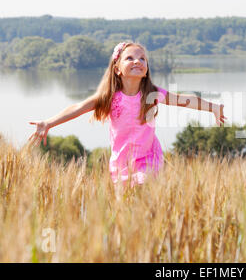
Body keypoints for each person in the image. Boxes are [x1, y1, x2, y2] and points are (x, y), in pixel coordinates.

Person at [28, 42, 227, 187]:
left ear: (147, 68)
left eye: (142, 58)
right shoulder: (109, 97)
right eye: (130, 58)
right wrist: (48, 123)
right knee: (126, 207)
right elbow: (77, 108)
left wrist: (213, 108)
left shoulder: (152, 94)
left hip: (148, 158)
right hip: (121, 162)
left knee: (141, 187)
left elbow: (184, 99)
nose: (137, 61)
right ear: (117, 69)